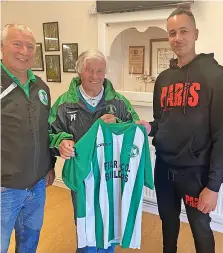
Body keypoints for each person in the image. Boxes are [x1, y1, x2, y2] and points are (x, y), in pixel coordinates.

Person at [136, 7, 223, 253]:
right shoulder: (164, 79)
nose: (177, 38)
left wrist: (213, 186)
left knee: (200, 228)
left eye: (183, 31)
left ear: (196, 33)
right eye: (172, 33)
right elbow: (163, 122)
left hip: (196, 174)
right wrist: (150, 127)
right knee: (167, 225)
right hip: (165, 169)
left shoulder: (217, 75)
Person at [48, 50, 139, 253]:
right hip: (82, 175)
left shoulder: (118, 103)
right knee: (85, 221)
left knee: (109, 220)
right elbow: (49, 132)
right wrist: (62, 141)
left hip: (111, 173)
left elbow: (135, 130)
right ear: (80, 71)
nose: (95, 76)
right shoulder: (64, 103)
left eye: (100, 71)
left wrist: (119, 124)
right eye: (90, 70)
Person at [1, 24, 55, 253]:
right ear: (2, 46)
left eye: (30, 46)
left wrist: (49, 166)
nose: (25, 50)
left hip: (37, 186)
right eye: (17, 44)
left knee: (29, 243)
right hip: (5, 189)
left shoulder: (41, 87)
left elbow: (46, 130)